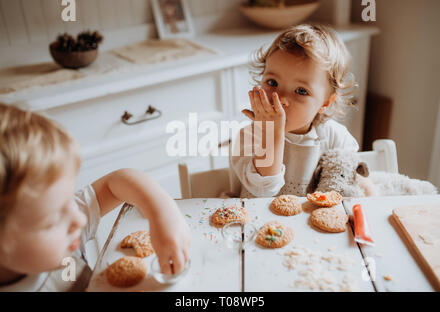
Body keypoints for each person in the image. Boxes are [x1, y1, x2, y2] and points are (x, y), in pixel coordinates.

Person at [0, 103, 191, 291]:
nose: (79, 219)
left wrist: (163, 215)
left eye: (69, 199)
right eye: (53, 220)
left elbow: (115, 183)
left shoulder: (66, 233)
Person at [231, 23, 377, 198]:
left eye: (301, 91)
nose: (281, 98)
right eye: (272, 82)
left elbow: (347, 180)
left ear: (325, 103)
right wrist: (272, 133)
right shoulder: (249, 136)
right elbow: (263, 190)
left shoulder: (336, 137)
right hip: (258, 221)